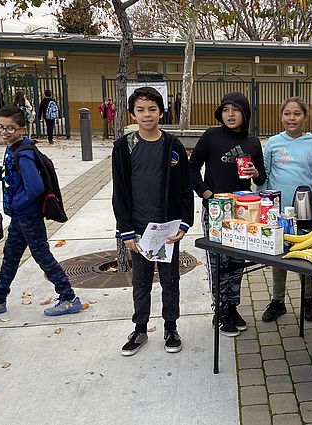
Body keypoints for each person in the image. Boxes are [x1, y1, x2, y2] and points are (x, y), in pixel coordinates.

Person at [0, 106, 83, 316]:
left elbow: (35, 187)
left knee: (41, 255)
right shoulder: (14, 148)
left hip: (27, 215)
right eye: (0, 127)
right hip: (20, 216)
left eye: (10, 128)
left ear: (21, 128)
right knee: (11, 256)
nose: (4, 132)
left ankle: (68, 297)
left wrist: (18, 204)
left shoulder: (23, 153)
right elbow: (14, 178)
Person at [112, 86, 194, 356]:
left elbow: (184, 186)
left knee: (170, 279)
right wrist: (125, 231)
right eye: (140, 110)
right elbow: (120, 191)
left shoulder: (172, 146)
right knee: (141, 280)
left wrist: (184, 223)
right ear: (132, 114)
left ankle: (171, 326)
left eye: (152, 109)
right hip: (137, 229)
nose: (147, 115)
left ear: (161, 112)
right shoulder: (124, 147)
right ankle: (140, 328)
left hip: (167, 228)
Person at [189, 92, 266, 337]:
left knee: (236, 261)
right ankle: (219, 311)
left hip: (243, 211)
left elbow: (261, 177)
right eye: (226, 110)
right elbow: (192, 168)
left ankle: (232, 307)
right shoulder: (212, 136)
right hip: (215, 209)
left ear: (245, 113)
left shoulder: (253, 142)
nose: (230, 115)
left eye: (236, 110)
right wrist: (204, 191)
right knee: (217, 262)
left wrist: (254, 173)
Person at [259, 97, 312, 323]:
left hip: (306, 213)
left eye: (297, 114)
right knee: (279, 256)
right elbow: (264, 176)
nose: (292, 118)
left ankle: (308, 299)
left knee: (305, 255)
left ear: (305, 117)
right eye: (287, 114)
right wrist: (264, 206)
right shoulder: (273, 143)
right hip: (279, 212)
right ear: (281, 117)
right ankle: (278, 300)